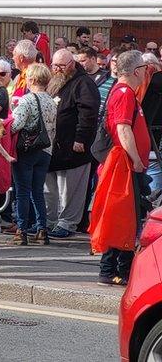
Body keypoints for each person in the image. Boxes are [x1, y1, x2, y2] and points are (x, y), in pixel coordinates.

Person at [91, 50, 149, 286]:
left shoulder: (121, 91)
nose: (146, 74)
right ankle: (116, 270)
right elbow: (123, 128)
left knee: (123, 215)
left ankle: (117, 269)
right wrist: (135, 159)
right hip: (123, 164)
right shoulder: (125, 93)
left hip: (121, 162)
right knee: (124, 216)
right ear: (136, 71)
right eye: (145, 69)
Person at [44, 49, 99, 239]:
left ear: (72, 64)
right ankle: (50, 221)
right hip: (54, 147)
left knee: (71, 189)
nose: (57, 69)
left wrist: (81, 139)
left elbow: (88, 114)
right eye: (55, 65)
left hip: (74, 146)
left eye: (61, 65)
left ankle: (68, 222)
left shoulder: (84, 84)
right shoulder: (55, 82)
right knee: (51, 190)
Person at [9, 63, 58, 245]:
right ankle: (41, 230)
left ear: (32, 79)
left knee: (22, 192)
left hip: (27, 149)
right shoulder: (51, 101)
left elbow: (15, 125)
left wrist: (12, 112)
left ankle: (21, 231)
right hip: (46, 150)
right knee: (38, 191)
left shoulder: (27, 100)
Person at [10, 40, 38, 106]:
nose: (13, 58)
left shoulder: (32, 76)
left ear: (21, 58)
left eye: (14, 55)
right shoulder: (22, 75)